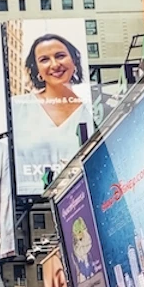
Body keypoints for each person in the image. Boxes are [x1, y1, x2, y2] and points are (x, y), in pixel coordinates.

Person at [11, 33, 90, 191]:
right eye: (44, 60)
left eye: (60, 56)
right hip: (32, 199)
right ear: (37, 69)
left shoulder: (92, 108)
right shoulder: (17, 108)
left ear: (74, 61)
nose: (54, 65)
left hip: (86, 193)